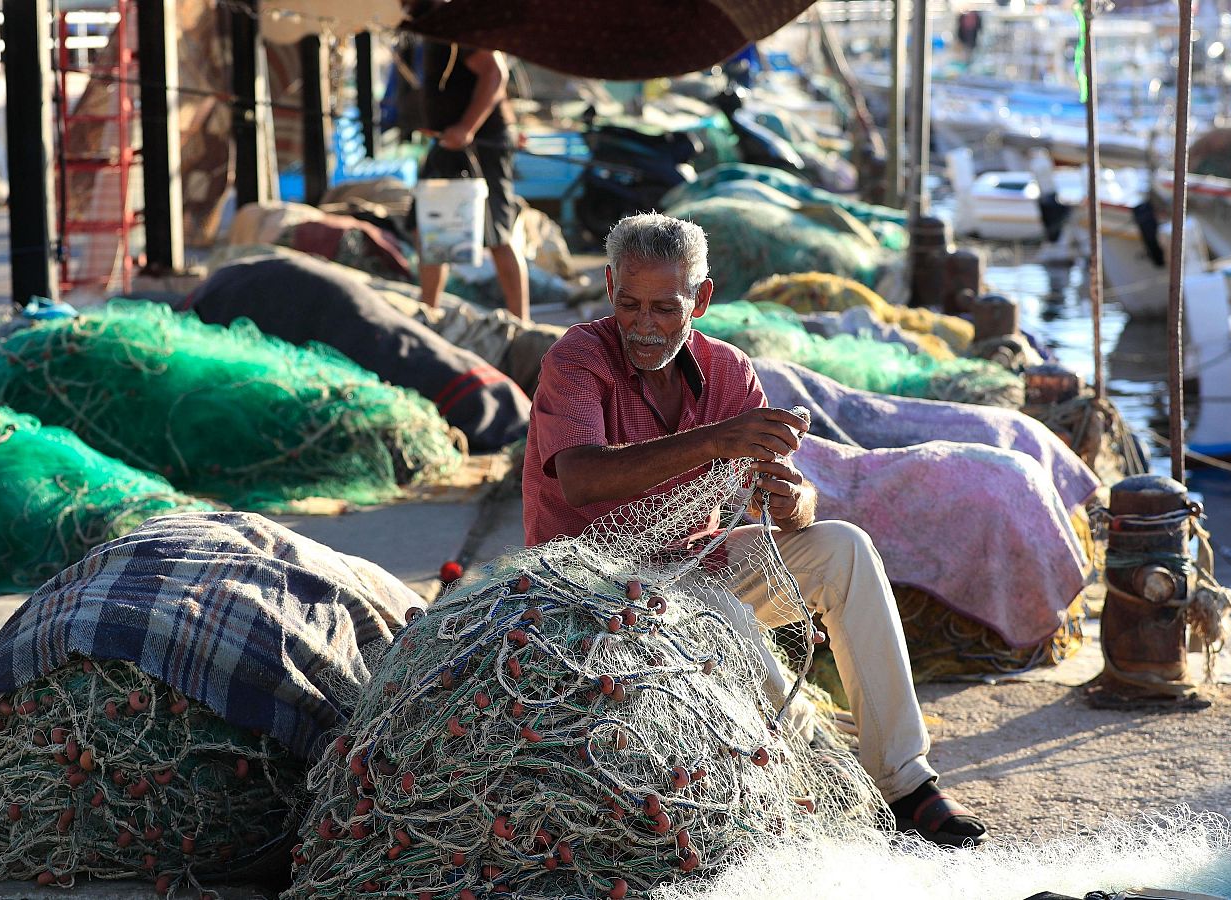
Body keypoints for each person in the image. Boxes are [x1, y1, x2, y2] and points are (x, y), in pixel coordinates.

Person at [520, 213, 989, 849]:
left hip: (695, 566)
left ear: (702, 300)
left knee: (845, 549)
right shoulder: (576, 359)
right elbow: (579, 479)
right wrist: (716, 440)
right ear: (607, 286)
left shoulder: (730, 371)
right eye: (629, 303)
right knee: (722, 616)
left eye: (664, 307)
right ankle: (825, 778)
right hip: (587, 583)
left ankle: (906, 782)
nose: (643, 323)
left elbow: (787, 503)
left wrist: (793, 500)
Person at [405, 0, 529, 321]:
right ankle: (428, 312)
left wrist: (466, 128)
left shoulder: (458, 22)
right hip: (446, 143)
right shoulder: (426, 25)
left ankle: (521, 321)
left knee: (498, 232)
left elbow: (494, 73)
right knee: (427, 225)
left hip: (481, 144)